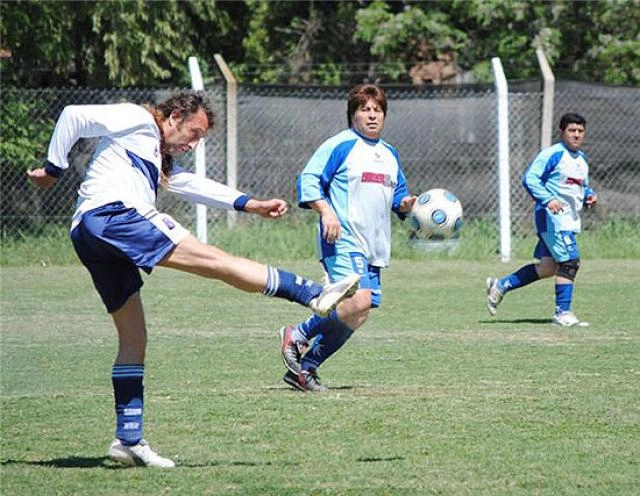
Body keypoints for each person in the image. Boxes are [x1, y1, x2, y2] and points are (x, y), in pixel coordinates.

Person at [27, 91, 359, 468]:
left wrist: (250, 203)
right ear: (173, 116)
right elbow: (73, 115)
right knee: (217, 260)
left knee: (134, 336)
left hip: (89, 233)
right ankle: (313, 294)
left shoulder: (154, 154)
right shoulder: (137, 119)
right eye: (194, 132)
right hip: (116, 216)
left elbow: (190, 185)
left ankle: (128, 440)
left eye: (201, 138)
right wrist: (53, 169)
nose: (195, 142)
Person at [278, 84, 416, 392]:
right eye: (364, 109)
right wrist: (326, 212)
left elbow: (399, 195)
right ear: (352, 114)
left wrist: (407, 205)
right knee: (358, 300)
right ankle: (298, 334)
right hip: (342, 238)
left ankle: (305, 369)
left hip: (375, 246)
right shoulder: (340, 145)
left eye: (377, 110)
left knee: (359, 313)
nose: (371, 115)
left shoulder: (389, 153)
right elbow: (309, 179)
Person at [486, 112, 597, 327]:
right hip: (554, 219)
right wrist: (548, 200)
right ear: (562, 132)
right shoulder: (553, 154)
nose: (576, 135)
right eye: (571, 130)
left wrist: (589, 195)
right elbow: (530, 179)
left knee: (547, 268)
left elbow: (581, 186)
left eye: (580, 131)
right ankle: (562, 313)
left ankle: (500, 285)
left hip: (569, 221)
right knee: (570, 262)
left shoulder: (581, 159)